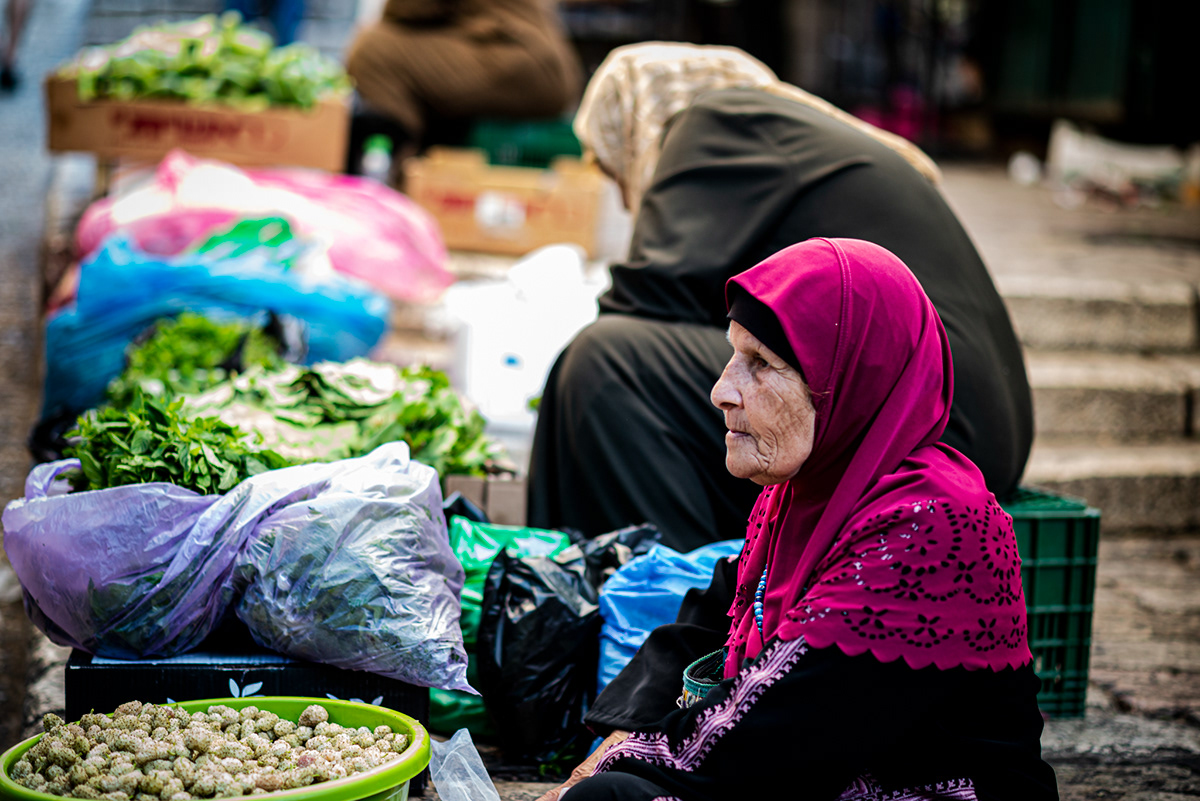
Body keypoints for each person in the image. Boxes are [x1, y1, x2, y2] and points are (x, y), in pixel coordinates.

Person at [536, 237, 1058, 801]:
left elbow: (772, 732)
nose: (721, 391)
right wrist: (617, 735)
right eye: (735, 355)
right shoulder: (809, 489)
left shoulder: (931, 523)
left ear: (854, 380)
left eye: (762, 365)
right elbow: (718, 615)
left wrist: (613, 763)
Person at [526, 43, 1033, 552]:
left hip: (930, 425)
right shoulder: (772, 135)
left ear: (638, 124)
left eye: (616, 169)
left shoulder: (717, 119)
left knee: (609, 361)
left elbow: (646, 295)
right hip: (964, 423)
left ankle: (672, 594)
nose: (625, 193)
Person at [342, 0, 582, 171]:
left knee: (373, 50)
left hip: (516, 59)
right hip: (542, 64)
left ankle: (393, 169)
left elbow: (410, 7)